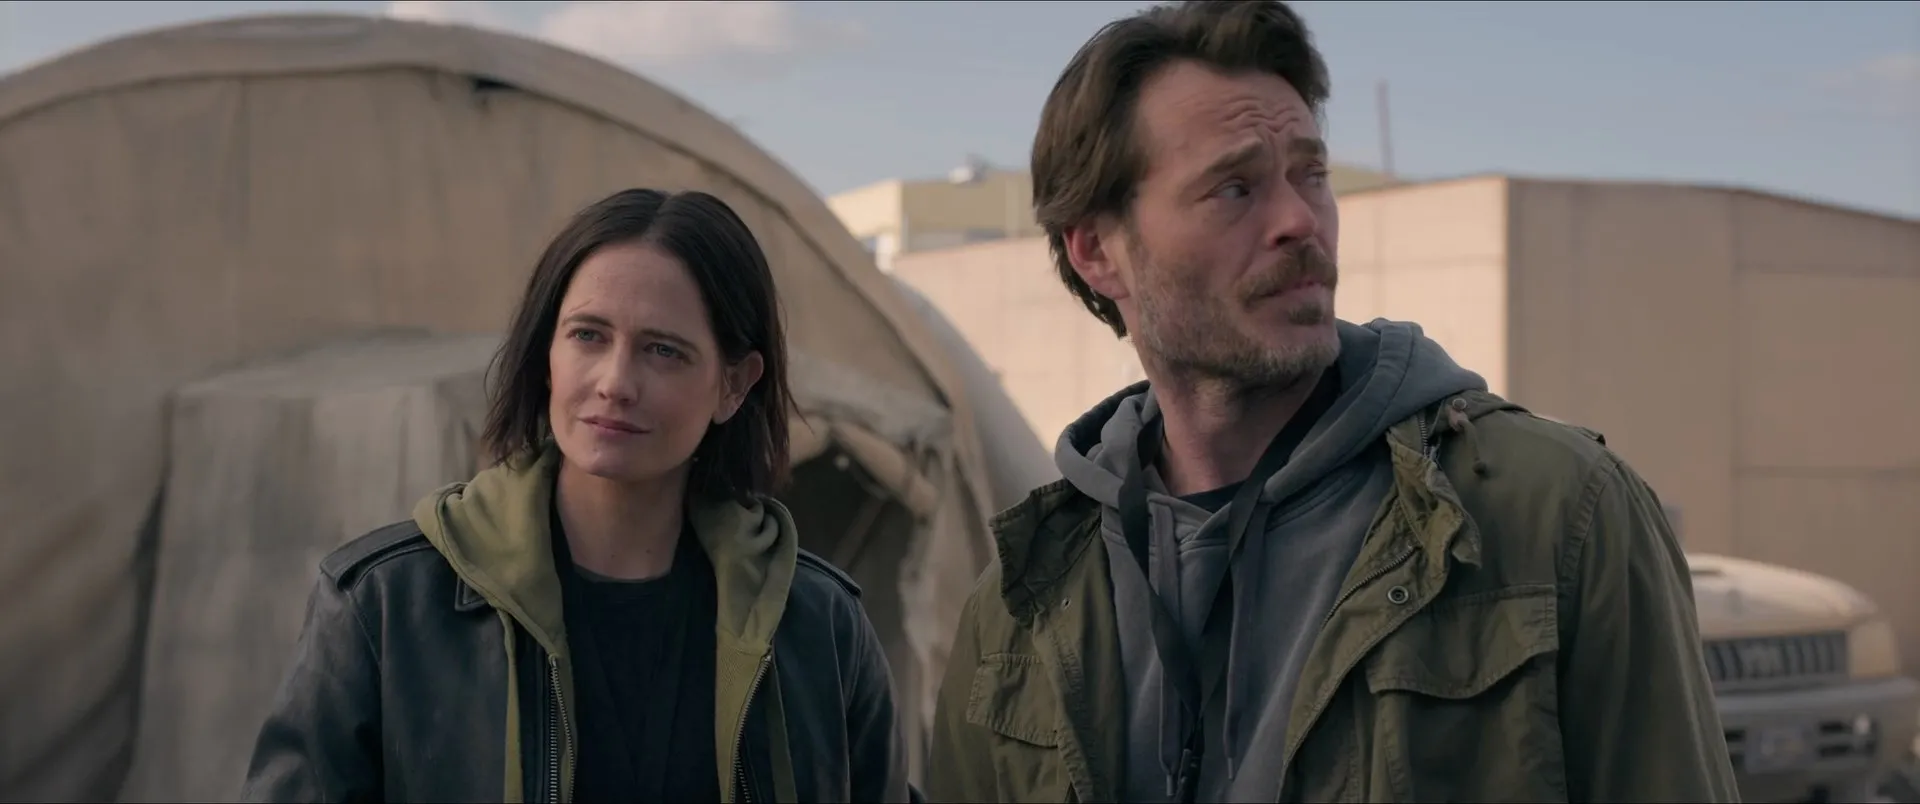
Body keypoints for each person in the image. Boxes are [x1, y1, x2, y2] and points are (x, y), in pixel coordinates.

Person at [925, 2, 1739, 802]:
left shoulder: (1556, 516)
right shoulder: (1020, 610)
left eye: (1311, 175)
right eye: (1234, 189)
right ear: (1098, 251)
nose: (1298, 220)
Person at [243, 188, 912, 803]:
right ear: (547, 355)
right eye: (588, 335)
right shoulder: (386, 608)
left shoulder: (818, 628)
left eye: (664, 351)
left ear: (734, 385)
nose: (615, 382)